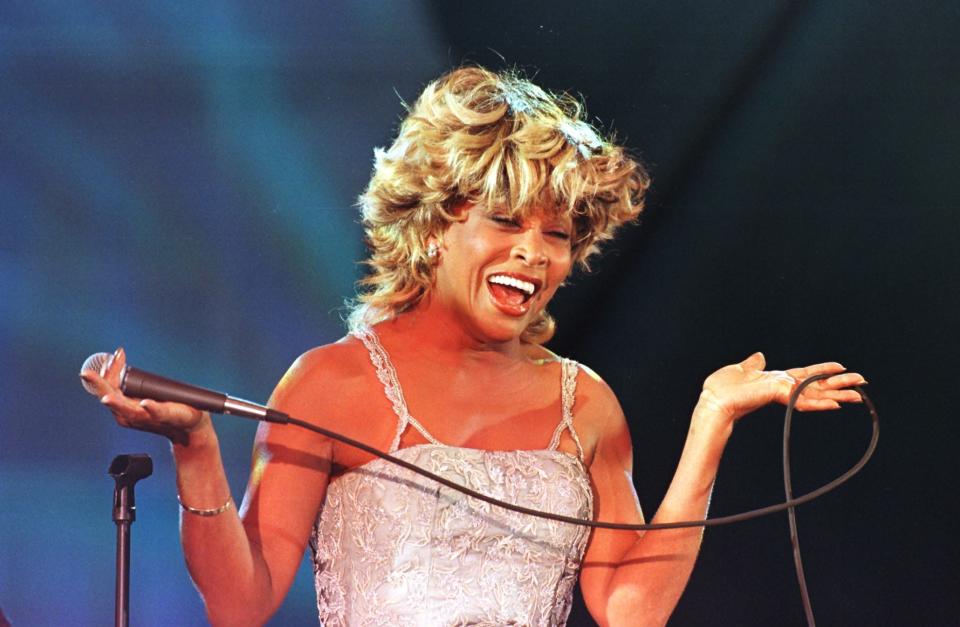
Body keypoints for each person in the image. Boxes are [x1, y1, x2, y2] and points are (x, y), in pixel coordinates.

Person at [81, 67, 866, 626]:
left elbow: (629, 611)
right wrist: (195, 447)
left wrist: (711, 422)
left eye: (557, 235)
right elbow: (239, 601)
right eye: (506, 221)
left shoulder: (585, 404)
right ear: (434, 225)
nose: (534, 252)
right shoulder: (328, 384)